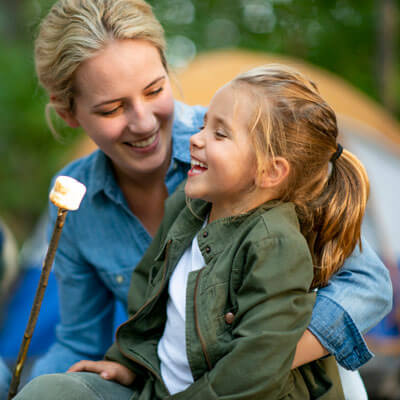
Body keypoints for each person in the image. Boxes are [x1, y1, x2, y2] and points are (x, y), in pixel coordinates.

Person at [0, 0, 391, 398]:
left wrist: (258, 356)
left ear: (168, 73)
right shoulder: (76, 195)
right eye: (112, 108)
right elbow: (81, 339)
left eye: (154, 90)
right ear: (69, 114)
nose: (143, 121)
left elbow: (368, 284)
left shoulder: (249, 149)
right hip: (160, 381)